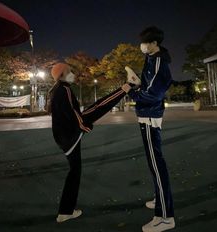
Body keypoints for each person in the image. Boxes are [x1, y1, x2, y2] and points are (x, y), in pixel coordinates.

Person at [48, 62, 140, 223]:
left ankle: (65, 211)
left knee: (99, 106)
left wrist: (82, 124)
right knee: (74, 172)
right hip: (70, 135)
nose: (73, 74)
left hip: (65, 136)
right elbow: (72, 113)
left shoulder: (59, 90)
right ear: (61, 75)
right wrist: (84, 126)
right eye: (69, 71)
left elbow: (67, 114)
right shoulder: (65, 90)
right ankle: (65, 211)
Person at [126, 26, 175, 232]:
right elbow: (147, 87)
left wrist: (132, 93)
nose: (142, 45)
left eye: (146, 42)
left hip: (150, 116)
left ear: (155, 43)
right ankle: (160, 199)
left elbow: (153, 94)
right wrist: (137, 85)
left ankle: (165, 217)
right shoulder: (152, 59)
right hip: (147, 114)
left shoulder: (158, 62)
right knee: (155, 162)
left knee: (156, 164)